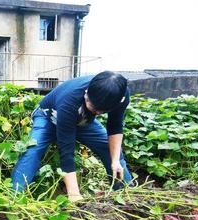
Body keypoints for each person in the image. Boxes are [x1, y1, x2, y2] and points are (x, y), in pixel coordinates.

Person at [11, 71, 133, 201]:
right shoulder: (70, 99)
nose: (95, 112)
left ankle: (127, 196)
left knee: (109, 149)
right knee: (33, 150)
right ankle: (14, 198)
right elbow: (66, 151)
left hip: (82, 120)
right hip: (48, 116)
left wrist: (115, 161)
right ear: (87, 92)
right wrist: (74, 194)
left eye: (100, 111)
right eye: (91, 105)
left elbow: (115, 126)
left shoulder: (120, 95)